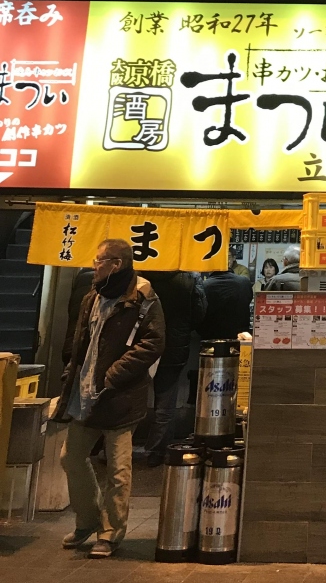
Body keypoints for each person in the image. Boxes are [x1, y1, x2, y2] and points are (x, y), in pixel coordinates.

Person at [55, 238, 165, 557]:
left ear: (116, 264)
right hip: (85, 393)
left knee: (118, 469)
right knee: (70, 457)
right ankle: (88, 519)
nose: (94, 266)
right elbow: (81, 340)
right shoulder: (92, 295)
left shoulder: (142, 296)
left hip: (121, 396)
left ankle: (110, 532)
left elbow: (153, 342)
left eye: (99, 261)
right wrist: (72, 371)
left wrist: (114, 374)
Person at [138, 269, 206, 465]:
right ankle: (156, 452)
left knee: (129, 398)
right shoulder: (189, 278)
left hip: (142, 344)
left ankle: (115, 450)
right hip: (174, 345)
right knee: (165, 404)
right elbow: (199, 313)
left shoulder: (140, 275)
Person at [201, 261, 254, 340]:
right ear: (228, 265)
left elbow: (199, 312)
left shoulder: (204, 286)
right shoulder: (244, 282)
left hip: (211, 337)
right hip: (240, 337)